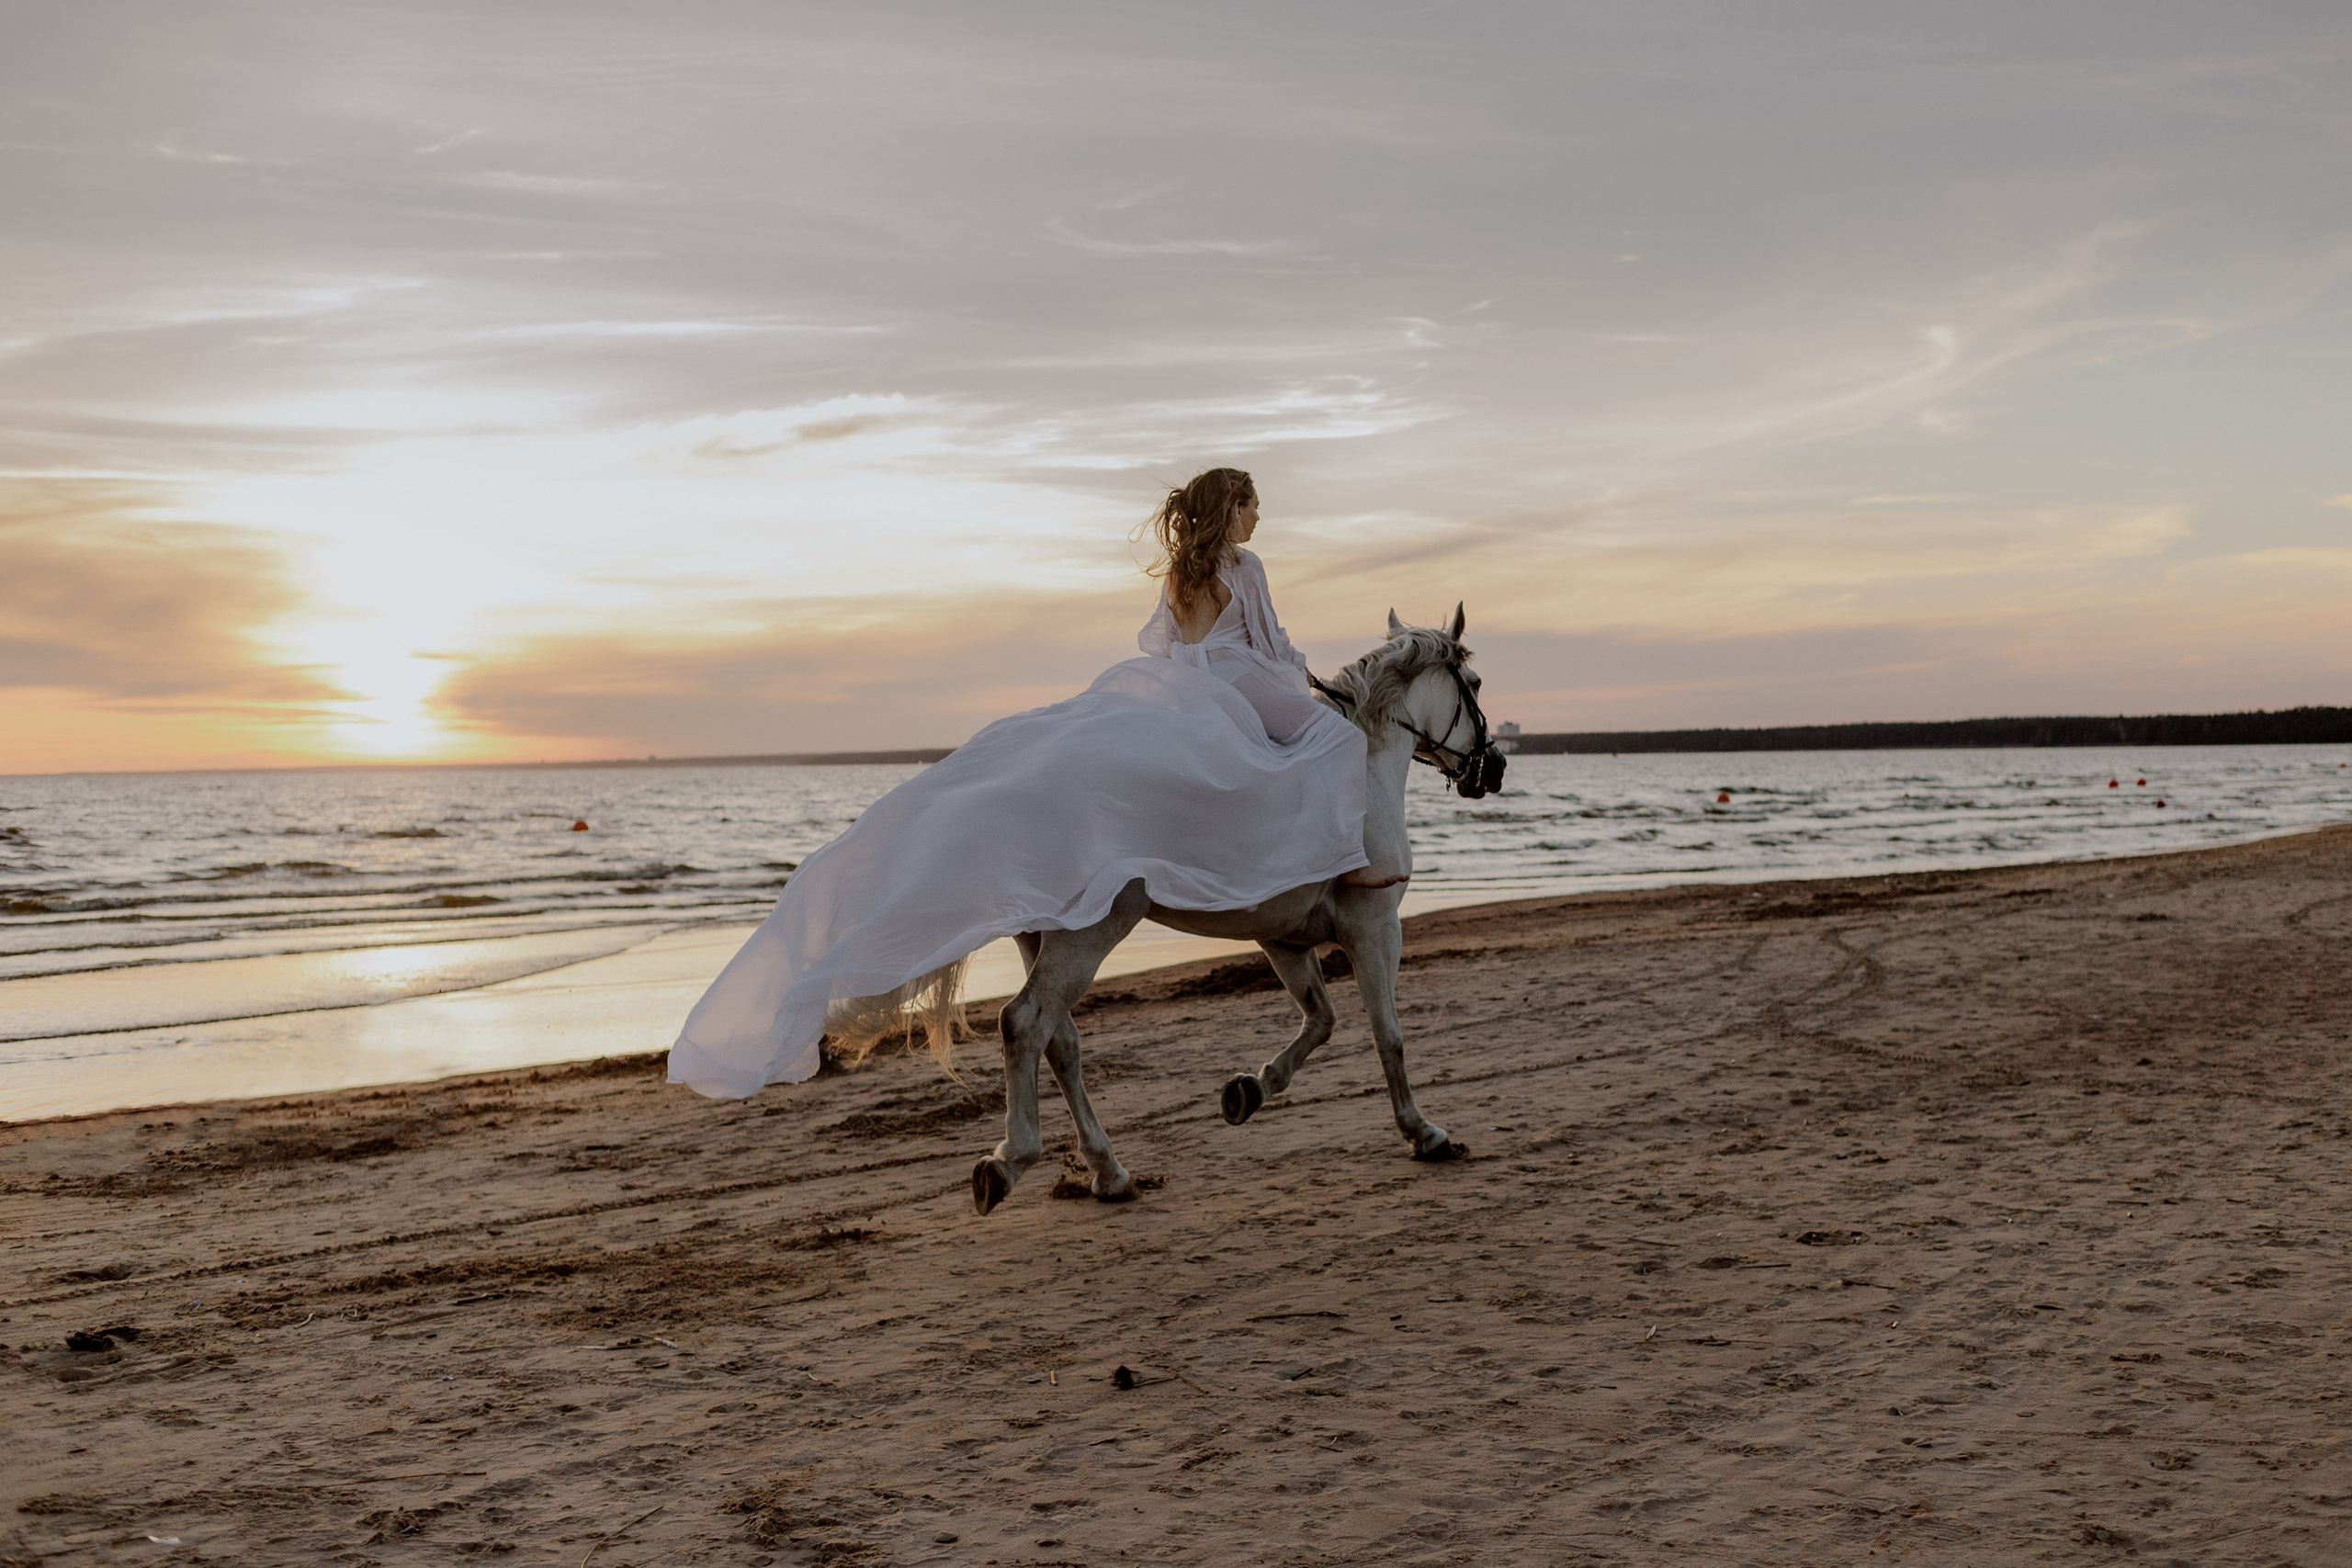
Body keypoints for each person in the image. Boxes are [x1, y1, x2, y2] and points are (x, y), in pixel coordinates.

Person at [666, 467, 1375, 1100]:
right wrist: (1303, 681)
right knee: (1337, 738)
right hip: (1238, 681)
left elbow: (1161, 644)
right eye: (1253, 505)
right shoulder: (1243, 565)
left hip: (1179, 682)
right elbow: (1269, 643)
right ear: (1231, 509)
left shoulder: (1180, 572)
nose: (1259, 516)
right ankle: (1342, 867)